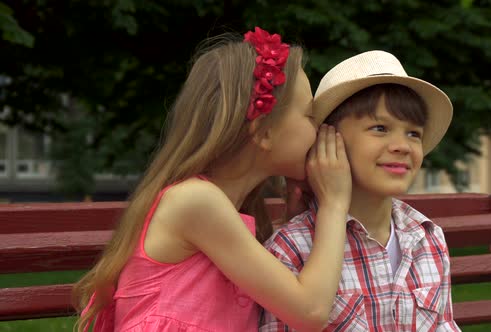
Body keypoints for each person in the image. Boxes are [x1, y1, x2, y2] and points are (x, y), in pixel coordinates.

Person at [72, 27, 352, 332]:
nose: (320, 129)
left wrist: (300, 220)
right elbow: (310, 312)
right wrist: (334, 205)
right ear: (264, 132)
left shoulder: (225, 208)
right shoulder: (195, 201)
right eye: (310, 116)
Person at [260, 50, 461, 331]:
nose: (402, 146)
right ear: (327, 141)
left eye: (414, 133)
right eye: (380, 128)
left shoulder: (428, 238)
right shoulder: (292, 249)